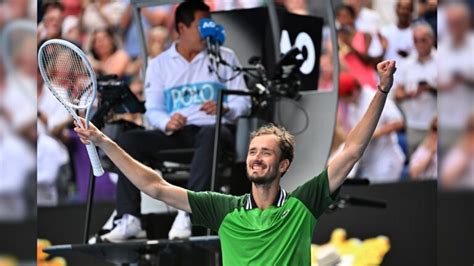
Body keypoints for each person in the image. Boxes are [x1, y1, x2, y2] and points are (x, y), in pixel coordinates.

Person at [75, 59, 397, 264]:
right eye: (253, 151)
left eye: (266, 152)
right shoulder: (224, 209)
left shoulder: (304, 204)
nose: (256, 158)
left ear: (283, 165)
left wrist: (381, 90)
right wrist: (105, 141)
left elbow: (352, 150)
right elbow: (155, 186)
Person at [93, 1, 250, 242]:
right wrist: (167, 122)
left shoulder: (224, 57)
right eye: (201, 25)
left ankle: (189, 210)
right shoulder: (160, 64)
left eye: (210, 23)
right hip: (175, 134)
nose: (208, 29)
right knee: (127, 140)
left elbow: (245, 104)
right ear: (182, 28)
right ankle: (129, 218)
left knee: (210, 133)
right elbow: (153, 109)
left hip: (214, 133)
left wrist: (224, 107)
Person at [338, 72, 405, 183]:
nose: (344, 101)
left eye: (345, 97)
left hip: (385, 159)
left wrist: (374, 133)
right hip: (368, 162)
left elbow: (399, 123)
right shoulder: (352, 106)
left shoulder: (374, 97)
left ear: (353, 91)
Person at [394, 23, 437, 156]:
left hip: (437, 126)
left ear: (432, 39)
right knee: (416, 168)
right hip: (414, 124)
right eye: (416, 40)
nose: (419, 44)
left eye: (423, 40)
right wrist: (410, 94)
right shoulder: (406, 64)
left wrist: (431, 88)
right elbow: (397, 94)